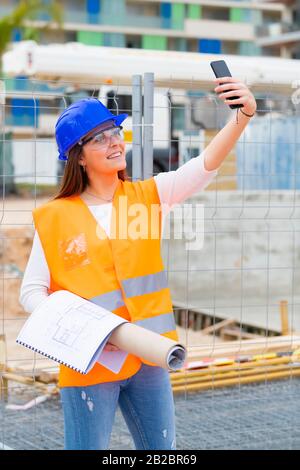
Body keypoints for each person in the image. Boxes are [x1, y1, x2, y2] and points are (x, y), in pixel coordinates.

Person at [19, 76, 257, 450]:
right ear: (78, 156)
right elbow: (31, 292)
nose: (115, 141)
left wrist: (242, 117)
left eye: (115, 131)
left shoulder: (148, 196)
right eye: (100, 137)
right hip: (90, 364)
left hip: (150, 356)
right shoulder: (54, 217)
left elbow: (205, 166)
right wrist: (79, 324)